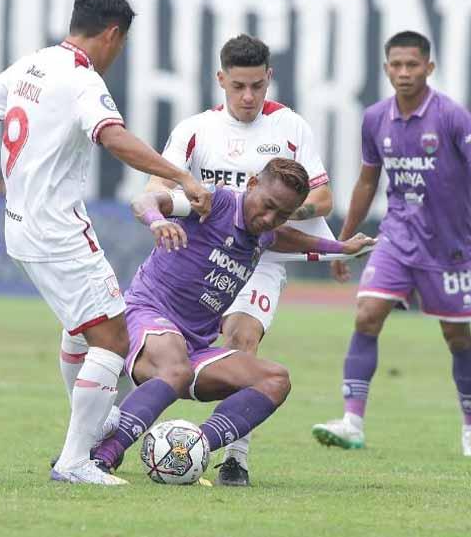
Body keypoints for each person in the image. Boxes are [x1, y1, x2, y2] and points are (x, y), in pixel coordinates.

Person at [0, 0, 212, 485]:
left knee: (80, 329)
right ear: (113, 34)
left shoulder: (32, 65)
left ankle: (95, 423)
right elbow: (114, 137)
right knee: (113, 338)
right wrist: (181, 176)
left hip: (20, 225)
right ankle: (76, 459)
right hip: (57, 231)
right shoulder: (81, 79)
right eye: (122, 43)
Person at [91, 160, 375, 476]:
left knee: (275, 379)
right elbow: (145, 200)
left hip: (193, 349)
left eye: (282, 214)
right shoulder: (215, 202)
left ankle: (189, 449)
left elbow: (285, 237)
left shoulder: (264, 233)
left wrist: (340, 248)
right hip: (147, 316)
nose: (269, 219)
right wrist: (157, 221)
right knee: (175, 366)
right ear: (252, 184)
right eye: (268, 206)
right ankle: (102, 455)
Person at [311, 30, 471, 456]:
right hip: (397, 236)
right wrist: (341, 241)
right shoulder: (375, 118)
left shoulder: (451, 116)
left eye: (412, 65)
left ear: (429, 67)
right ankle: (352, 421)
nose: (404, 72)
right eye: (396, 65)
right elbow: (367, 182)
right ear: (386, 68)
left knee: (457, 338)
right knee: (367, 314)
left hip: (449, 248)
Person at [139, 33, 334, 486]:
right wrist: (163, 213)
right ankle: (113, 429)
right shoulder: (195, 130)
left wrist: (273, 216)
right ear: (221, 79)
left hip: (258, 257)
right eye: (238, 86)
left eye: (257, 86)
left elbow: (323, 198)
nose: (248, 96)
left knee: (242, 339)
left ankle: (233, 457)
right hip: (196, 257)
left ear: (269, 79)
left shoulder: (291, 128)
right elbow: (155, 187)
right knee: (160, 354)